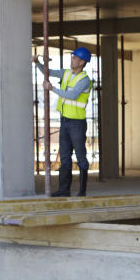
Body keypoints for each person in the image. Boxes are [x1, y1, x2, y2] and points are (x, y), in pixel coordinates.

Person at [34, 47, 94, 197]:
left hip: (77, 124)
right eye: (72, 57)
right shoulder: (67, 73)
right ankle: (64, 190)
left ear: (82, 62)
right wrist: (38, 63)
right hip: (65, 122)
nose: (72, 60)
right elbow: (49, 73)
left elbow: (72, 95)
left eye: (74, 58)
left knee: (81, 157)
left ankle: (82, 191)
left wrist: (52, 88)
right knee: (65, 156)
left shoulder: (84, 80)